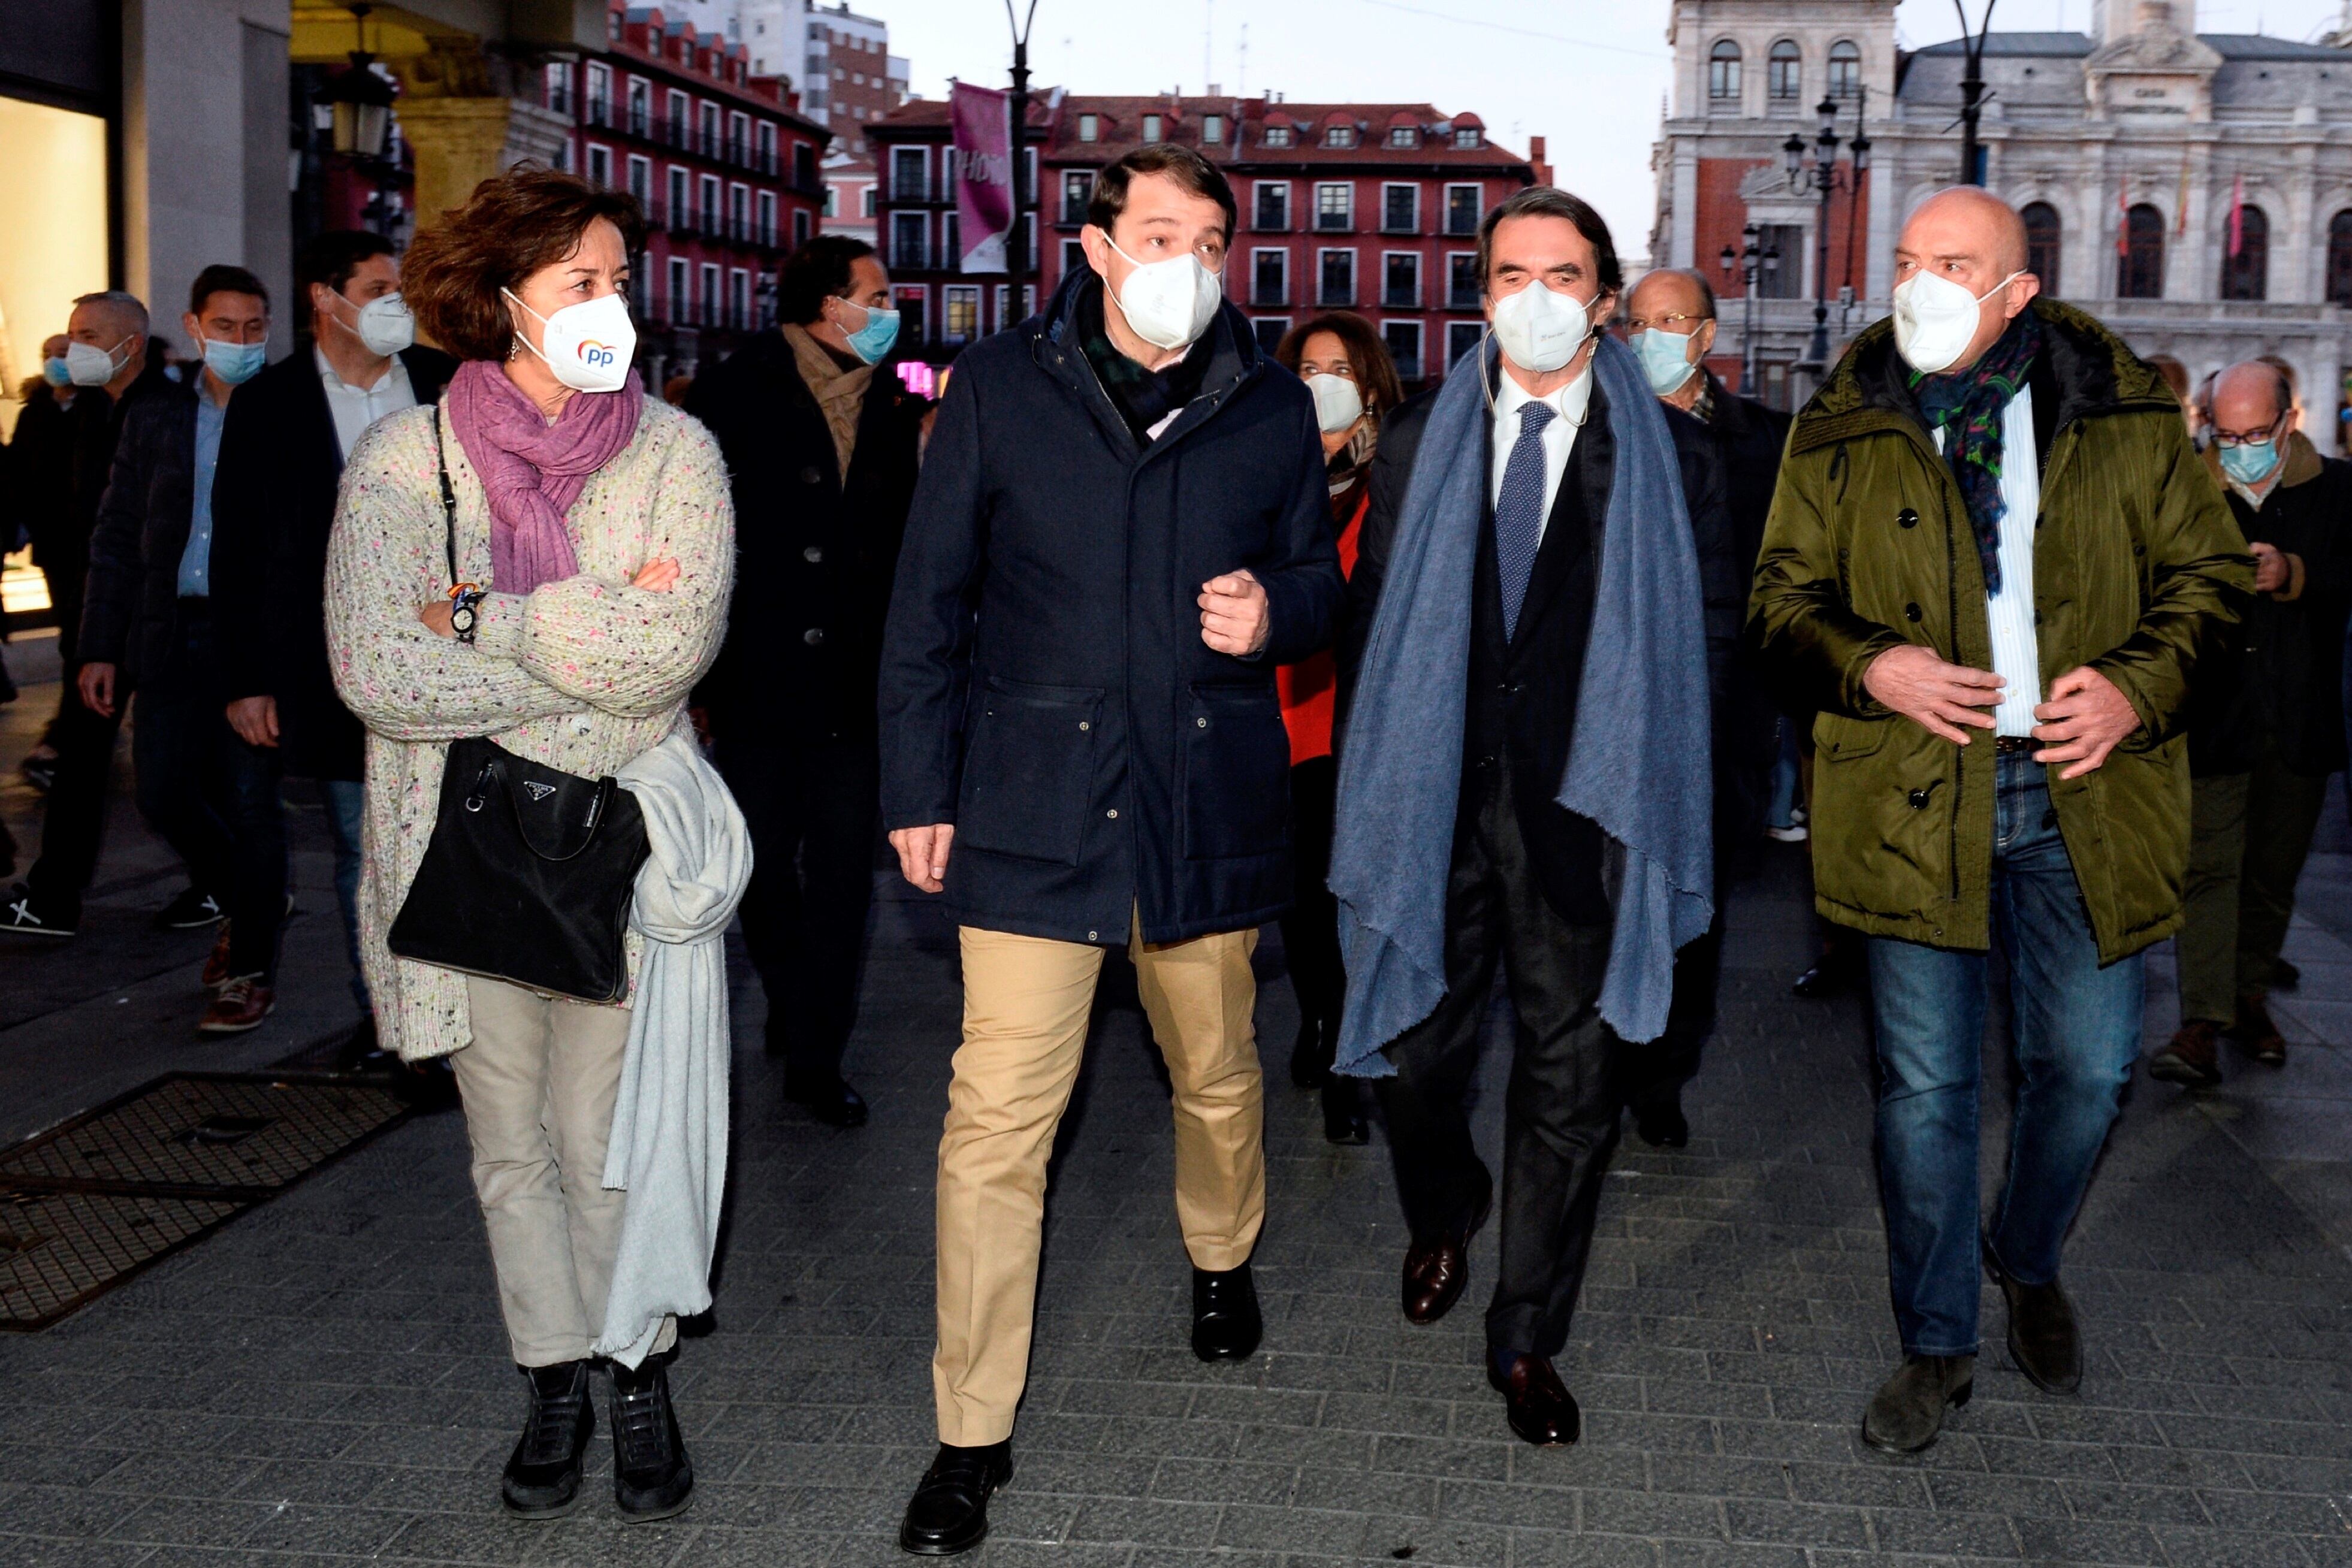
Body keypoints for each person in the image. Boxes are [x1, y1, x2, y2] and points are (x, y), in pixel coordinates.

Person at [877, 142, 1342, 1555]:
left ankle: (1219, 1256)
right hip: (1027, 811)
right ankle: (969, 1428)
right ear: (1091, 244)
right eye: (1155, 231)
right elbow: (927, 604)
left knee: (1213, 1071)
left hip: (1196, 806)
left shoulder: (1267, 407)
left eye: (1208, 236)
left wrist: (1274, 608)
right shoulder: (1000, 388)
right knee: (991, 1128)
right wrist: (916, 785)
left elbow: (1320, 578)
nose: (1183, 260)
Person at [1750, 187, 2249, 1454]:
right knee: (1921, 1090)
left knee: (2087, 1072)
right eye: (1908, 260)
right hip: (1914, 786)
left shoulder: (2123, 411)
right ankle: (1935, 1341)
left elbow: (2209, 578)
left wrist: (2137, 688)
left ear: (2015, 292)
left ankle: (2025, 1257)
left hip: (2082, 788)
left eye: (1954, 264)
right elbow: (1777, 600)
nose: (1918, 283)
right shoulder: (1841, 420)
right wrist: (1871, 663)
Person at [323, 167, 734, 1522]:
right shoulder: (403, 459)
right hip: (461, 848)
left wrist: (483, 620)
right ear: (503, 301)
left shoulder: (674, 453)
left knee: (601, 1132)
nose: (610, 304)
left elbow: (667, 655)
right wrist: (583, 636)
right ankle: (551, 1373)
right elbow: (375, 667)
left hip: (613, 851)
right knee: (507, 1140)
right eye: (581, 282)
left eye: (619, 279)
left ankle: (635, 1368)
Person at [1330, 188, 1730, 1450]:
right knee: (1416, 1060)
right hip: (1433, 804)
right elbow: (1376, 631)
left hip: (1588, 809)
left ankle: (1525, 1337)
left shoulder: (1675, 459)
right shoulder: (1413, 449)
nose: (1538, 298)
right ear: (1483, 291)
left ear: (1605, 298)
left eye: (1565, 275)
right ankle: (1445, 1202)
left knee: (1573, 1083)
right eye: (1514, 274)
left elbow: (1709, 638)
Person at [685, 233, 926, 1126]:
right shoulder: (730, 392)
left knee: (841, 880)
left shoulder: (895, 410)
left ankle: (818, 1054)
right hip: (757, 681)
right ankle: (790, 990)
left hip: (857, 690)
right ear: (830, 304)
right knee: (756, 869)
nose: (889, 308)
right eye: (877, 291)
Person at [209, 231, 455, 1058]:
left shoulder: (442, 383)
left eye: (401, 287)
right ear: (325, 297)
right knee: (365, 844)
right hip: (330, 665)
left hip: (449, 658)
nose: (397, 302)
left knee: (447, 839)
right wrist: (246, 678)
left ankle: (456, 1006)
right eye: (379, 286)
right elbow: (239, 551)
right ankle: (393, 1021)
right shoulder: (270, 405)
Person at [1619, 266, 1791, 1147]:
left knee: (1697, 906)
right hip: (1614, 717)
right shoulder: (1601, 431)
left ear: (1706, 334)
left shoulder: (1768, 443)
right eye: (1637, 322)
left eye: (1672, 319)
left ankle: (1663, 1071)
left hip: (1723, 719)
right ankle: (1603, 1059)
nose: (1652, 336)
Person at [2148, 360, 2351, 1086]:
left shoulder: (2335, 491)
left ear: (2287, 422)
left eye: (2254, 434)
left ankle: (2249, 995)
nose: (2238, 447)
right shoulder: (2186, 490)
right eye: (2225, 434)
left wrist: (2293, 573)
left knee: (2270, 876)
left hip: (2297, 717)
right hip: (2214, 717)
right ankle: (2200, 1021)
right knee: (2208, 871)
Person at [2, 295, 178, 939]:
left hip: (140, 620)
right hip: (101, 613)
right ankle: (54, 896)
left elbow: (142, 533)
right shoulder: (90, 412)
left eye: (86, 336)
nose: (72, 348)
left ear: (130, 344)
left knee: (169, 777)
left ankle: (236, 887)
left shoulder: (158, 414)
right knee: (87, 759)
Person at [1271, 310, 1402, 1147]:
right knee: (1298, 901)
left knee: (1351, 895)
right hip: (1277, 716)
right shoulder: (1265, 469)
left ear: (1370, 385)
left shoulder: (1397, 474)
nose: (1324, 380)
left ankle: (1352, 1054)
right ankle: (1320, 1014)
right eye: (1310, 366)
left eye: (1341, 368)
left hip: (1358, 724)